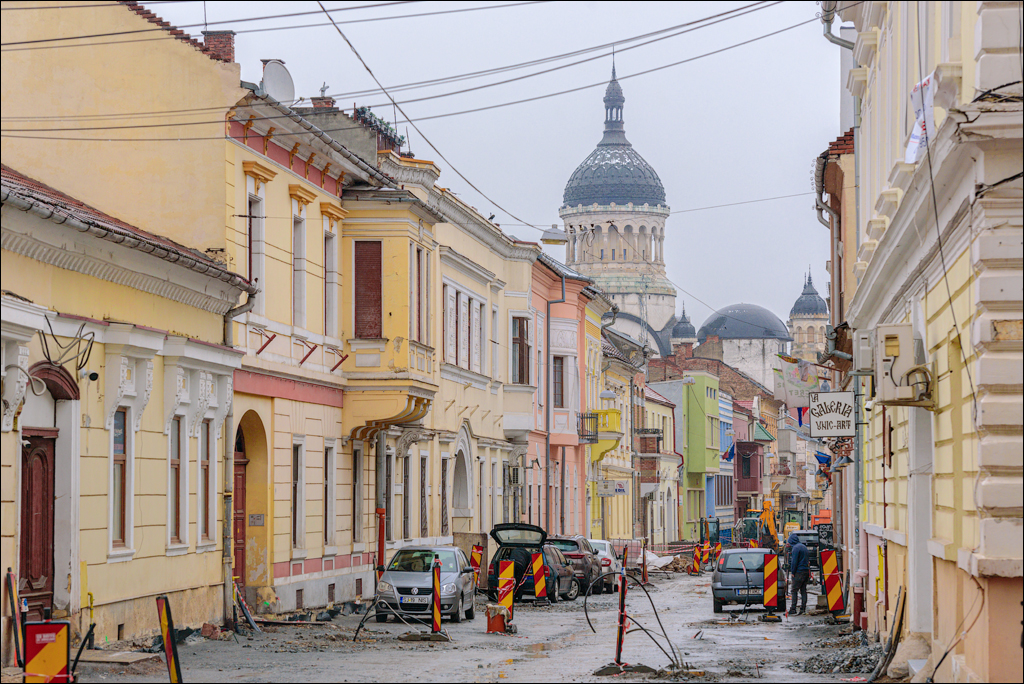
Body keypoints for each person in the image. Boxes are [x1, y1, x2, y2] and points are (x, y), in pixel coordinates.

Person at [787, 532, 810, 615]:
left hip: (799, 572)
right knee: (803, 590)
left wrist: (793, 572)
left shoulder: (795, 548)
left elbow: (794, 562)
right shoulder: (804, 547)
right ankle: (803, 608)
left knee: (794, 590)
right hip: (806, 571)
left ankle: (793, 608)